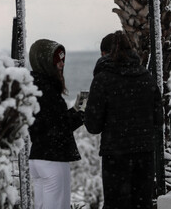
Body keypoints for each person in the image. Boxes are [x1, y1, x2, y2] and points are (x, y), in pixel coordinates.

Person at [84, 31, 161, 209]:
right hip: (145, 154)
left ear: (104, 54)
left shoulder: (102, 79)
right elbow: (158, 119)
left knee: (116, 204)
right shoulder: (146, 78)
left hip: (116, 156)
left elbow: (93, 125)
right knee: (143, 203)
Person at [27, 39, 84, 209]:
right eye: (57, 60)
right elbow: (59, 127)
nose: (61, 64)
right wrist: (82, 113)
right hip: (53, 158)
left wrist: (74, 111)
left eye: (63, 59)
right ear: (45, 61)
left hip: (37, 157)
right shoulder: (47, 89)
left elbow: (48, 122)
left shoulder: (32, 86)